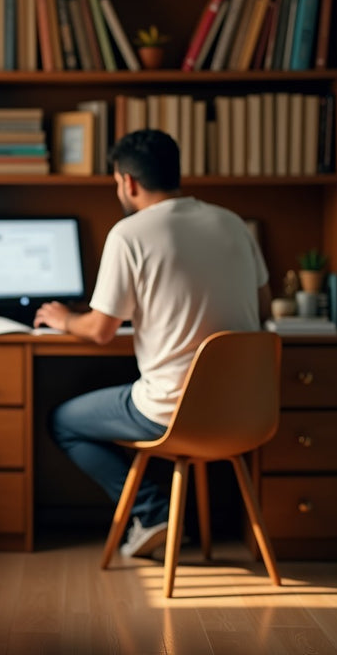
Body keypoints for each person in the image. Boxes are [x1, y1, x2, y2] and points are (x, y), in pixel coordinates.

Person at [33, 129, 271, 559]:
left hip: (170, 411)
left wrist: (64, 318)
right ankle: (165, 516)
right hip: (246, 411)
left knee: (63, 421)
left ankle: (153, 511)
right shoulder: (233, 224)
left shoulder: (130, 233)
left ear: (127, 181)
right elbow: (263, 307)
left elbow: (102, 330)